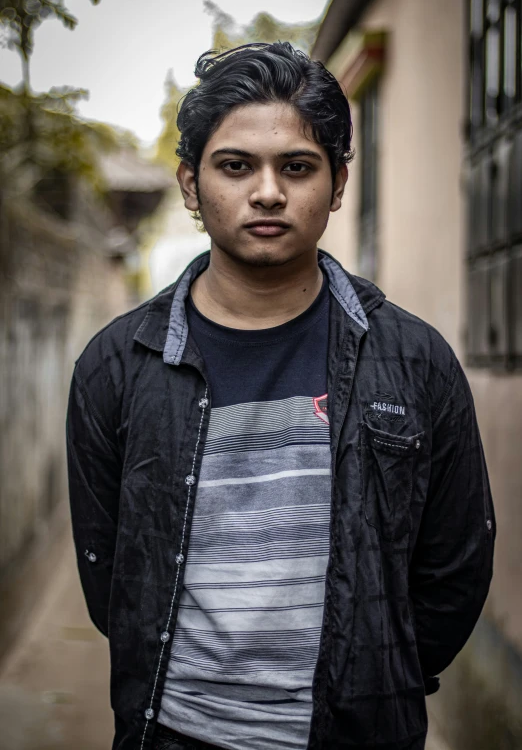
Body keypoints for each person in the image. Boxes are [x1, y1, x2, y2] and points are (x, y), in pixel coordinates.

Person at [66, 42, 495, 750]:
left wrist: (376, 675)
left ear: (338, 182)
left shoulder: (415, 361)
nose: (267, 191)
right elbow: (113, 574)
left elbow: (453, 566)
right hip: (172, 733)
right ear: (190, 183)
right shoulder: (117, 366)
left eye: (296, 166)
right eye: (236, 166)